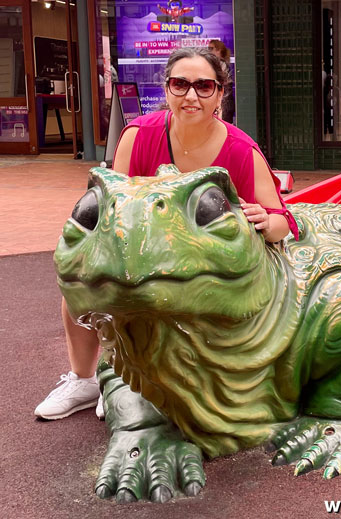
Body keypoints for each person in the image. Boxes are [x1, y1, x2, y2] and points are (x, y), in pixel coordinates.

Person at [34, 47, 298, 421]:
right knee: (86, 283)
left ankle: (128, 379)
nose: (192, 96)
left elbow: (282, 220)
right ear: (168, 89)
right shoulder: (138, 135)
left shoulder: (241, 150)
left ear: (221, 93)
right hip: (145, 245)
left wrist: (264, 220)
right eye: (181, 84)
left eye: (204, 86)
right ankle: (87, 377)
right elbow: (116, 201)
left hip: (202, 258)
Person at [208, 39, 235, 123]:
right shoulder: (220, 64)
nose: (209, 51)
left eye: (210, 48)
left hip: (224, 102)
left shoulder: (221, 65)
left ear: (218, 50)